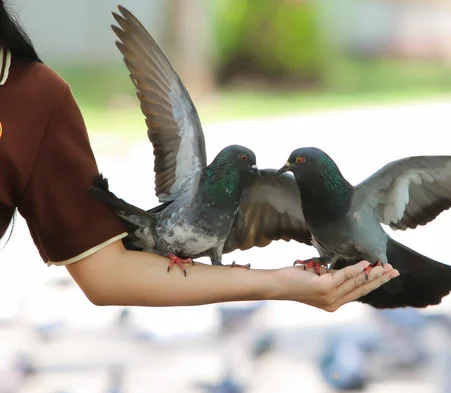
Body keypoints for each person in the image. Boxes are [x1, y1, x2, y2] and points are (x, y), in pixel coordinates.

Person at [0, 1, 399, 312]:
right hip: (166, 230)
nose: (254, 171)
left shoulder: (31, 98)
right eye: (248, 164)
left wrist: (281, 282)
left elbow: (107, 272)